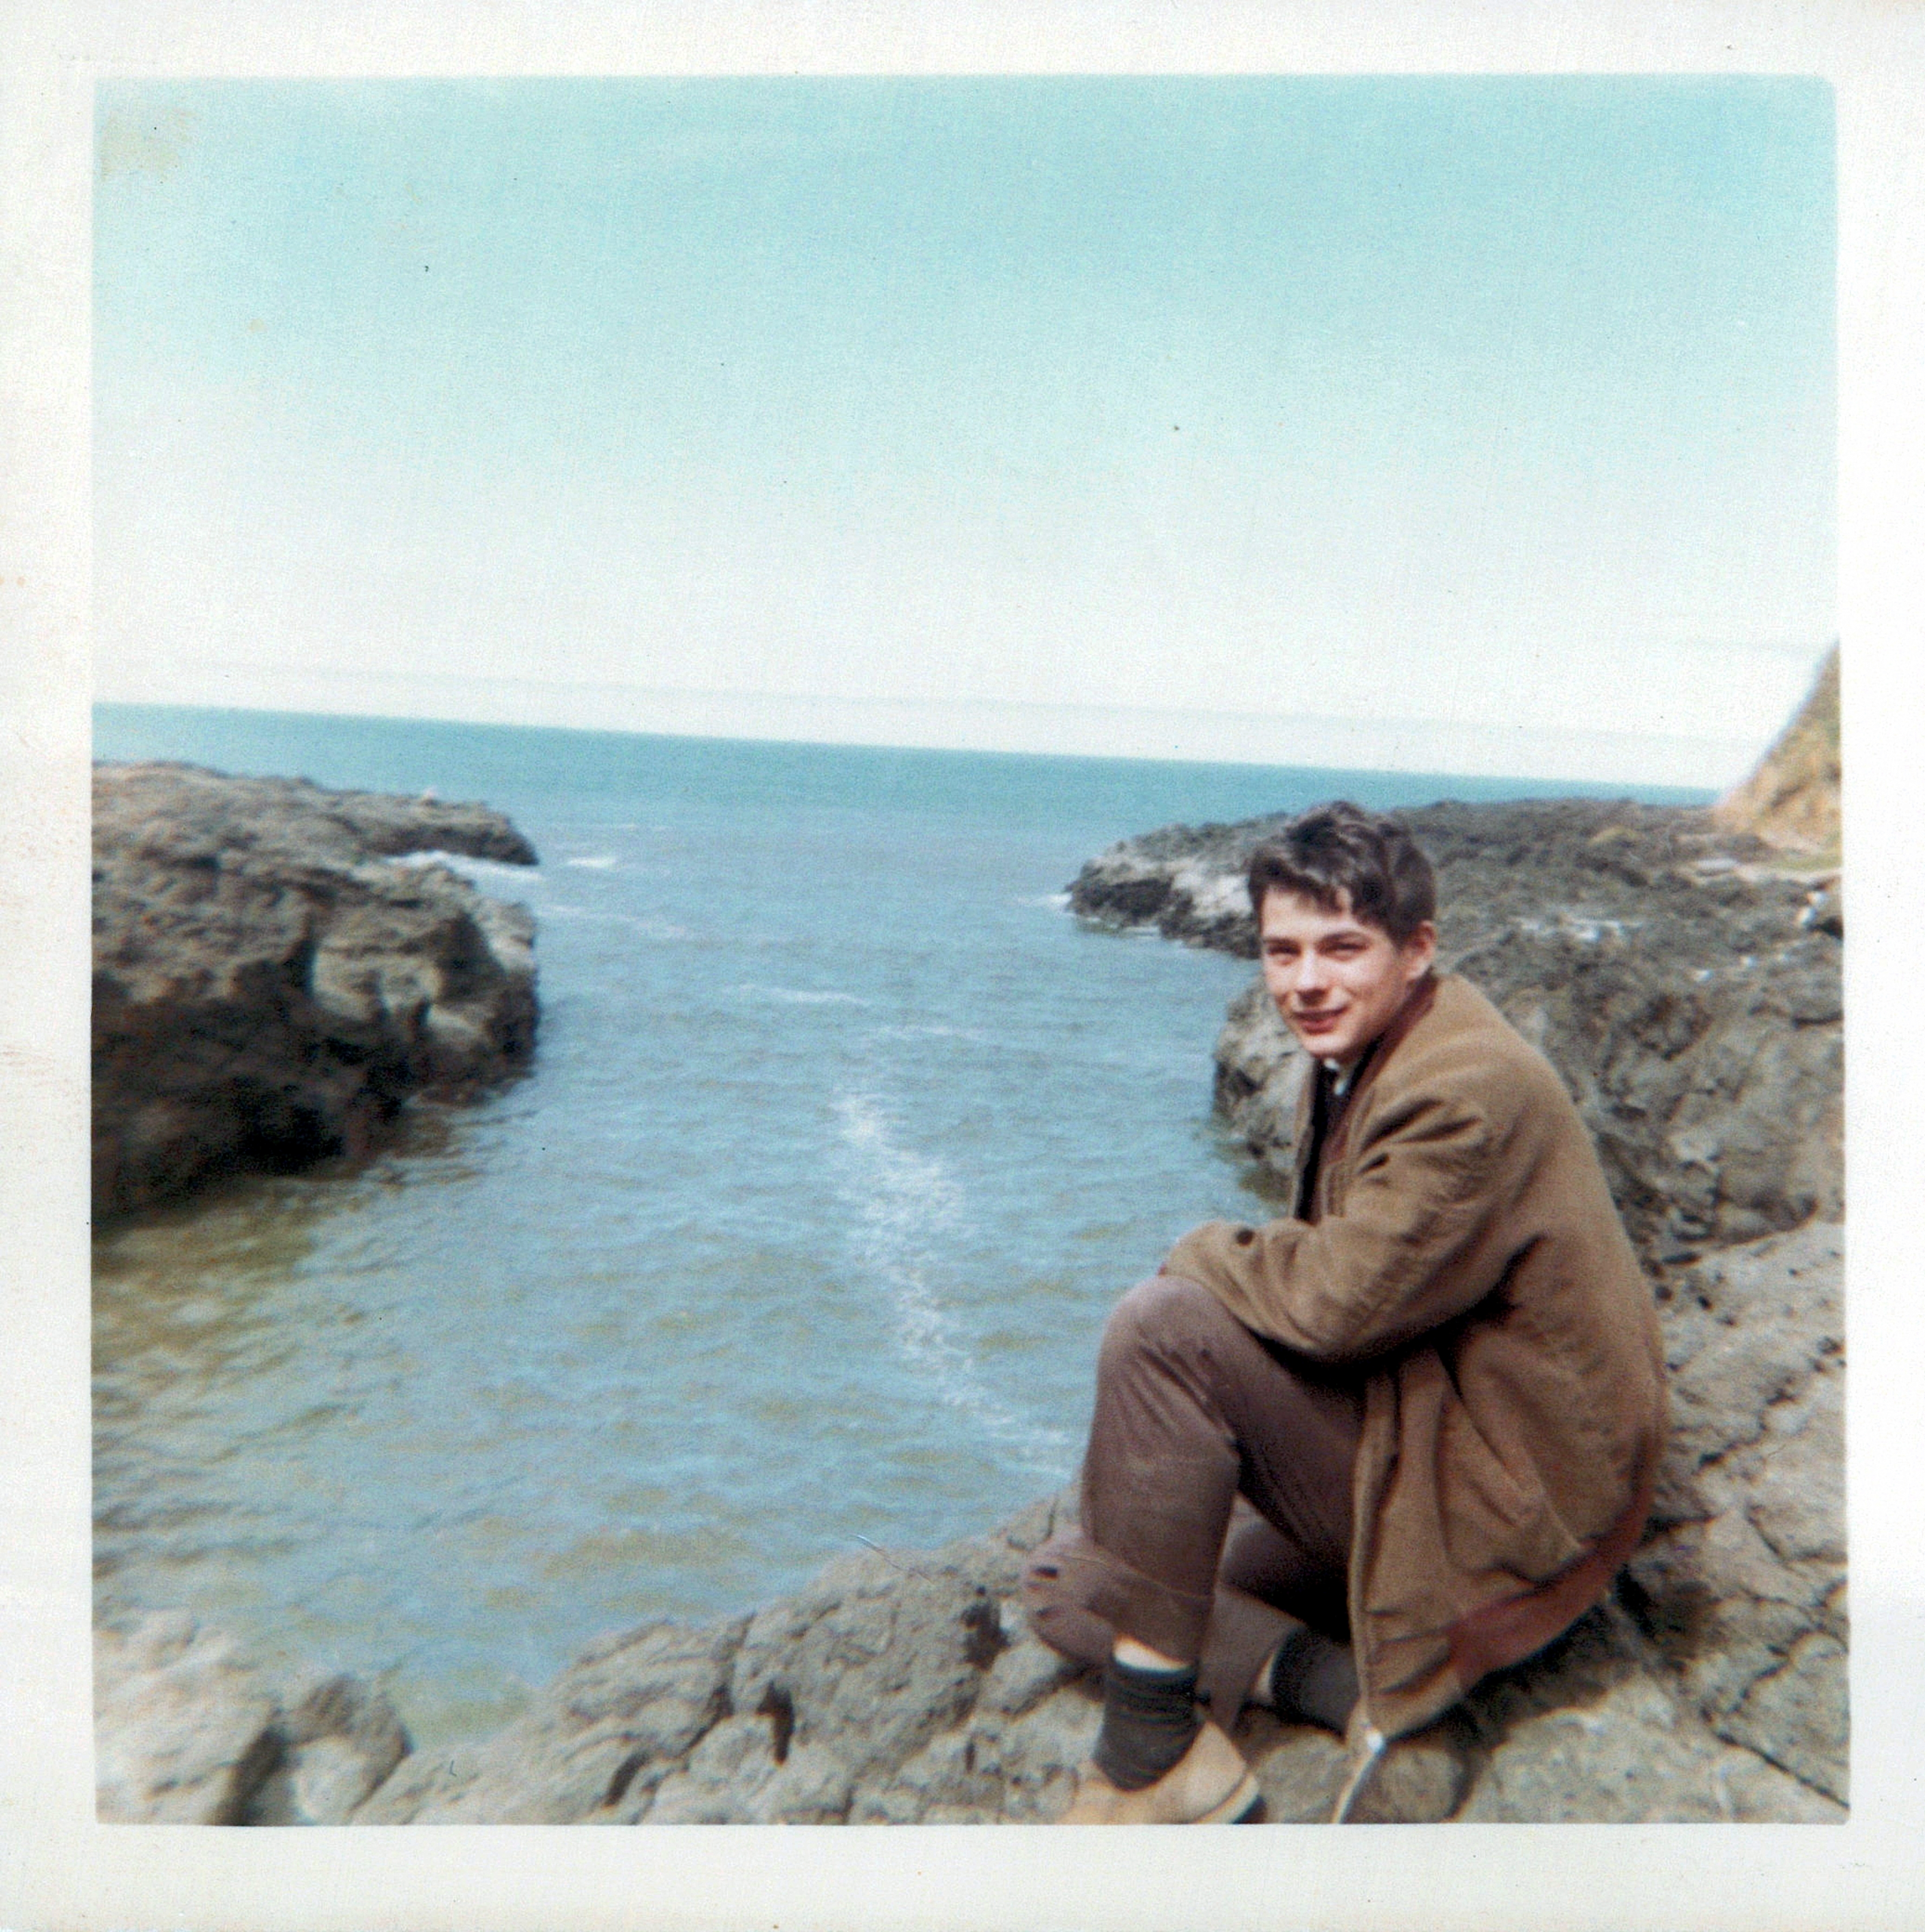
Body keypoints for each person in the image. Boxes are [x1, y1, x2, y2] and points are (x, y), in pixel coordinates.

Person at [1023, 800, 1667, 1824]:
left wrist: (1199, 1252)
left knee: (1162, 1329)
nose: (1304, 981)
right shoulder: (1364, 1051)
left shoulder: (1461, 1088)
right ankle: (1348, 1694)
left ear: (1417, 949)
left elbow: (1335, 1305)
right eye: (1280, 951)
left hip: (1510, 1498)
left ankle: (1152, 1761)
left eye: (1341, 947)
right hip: (1416, 1421)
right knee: (1076, 1579)